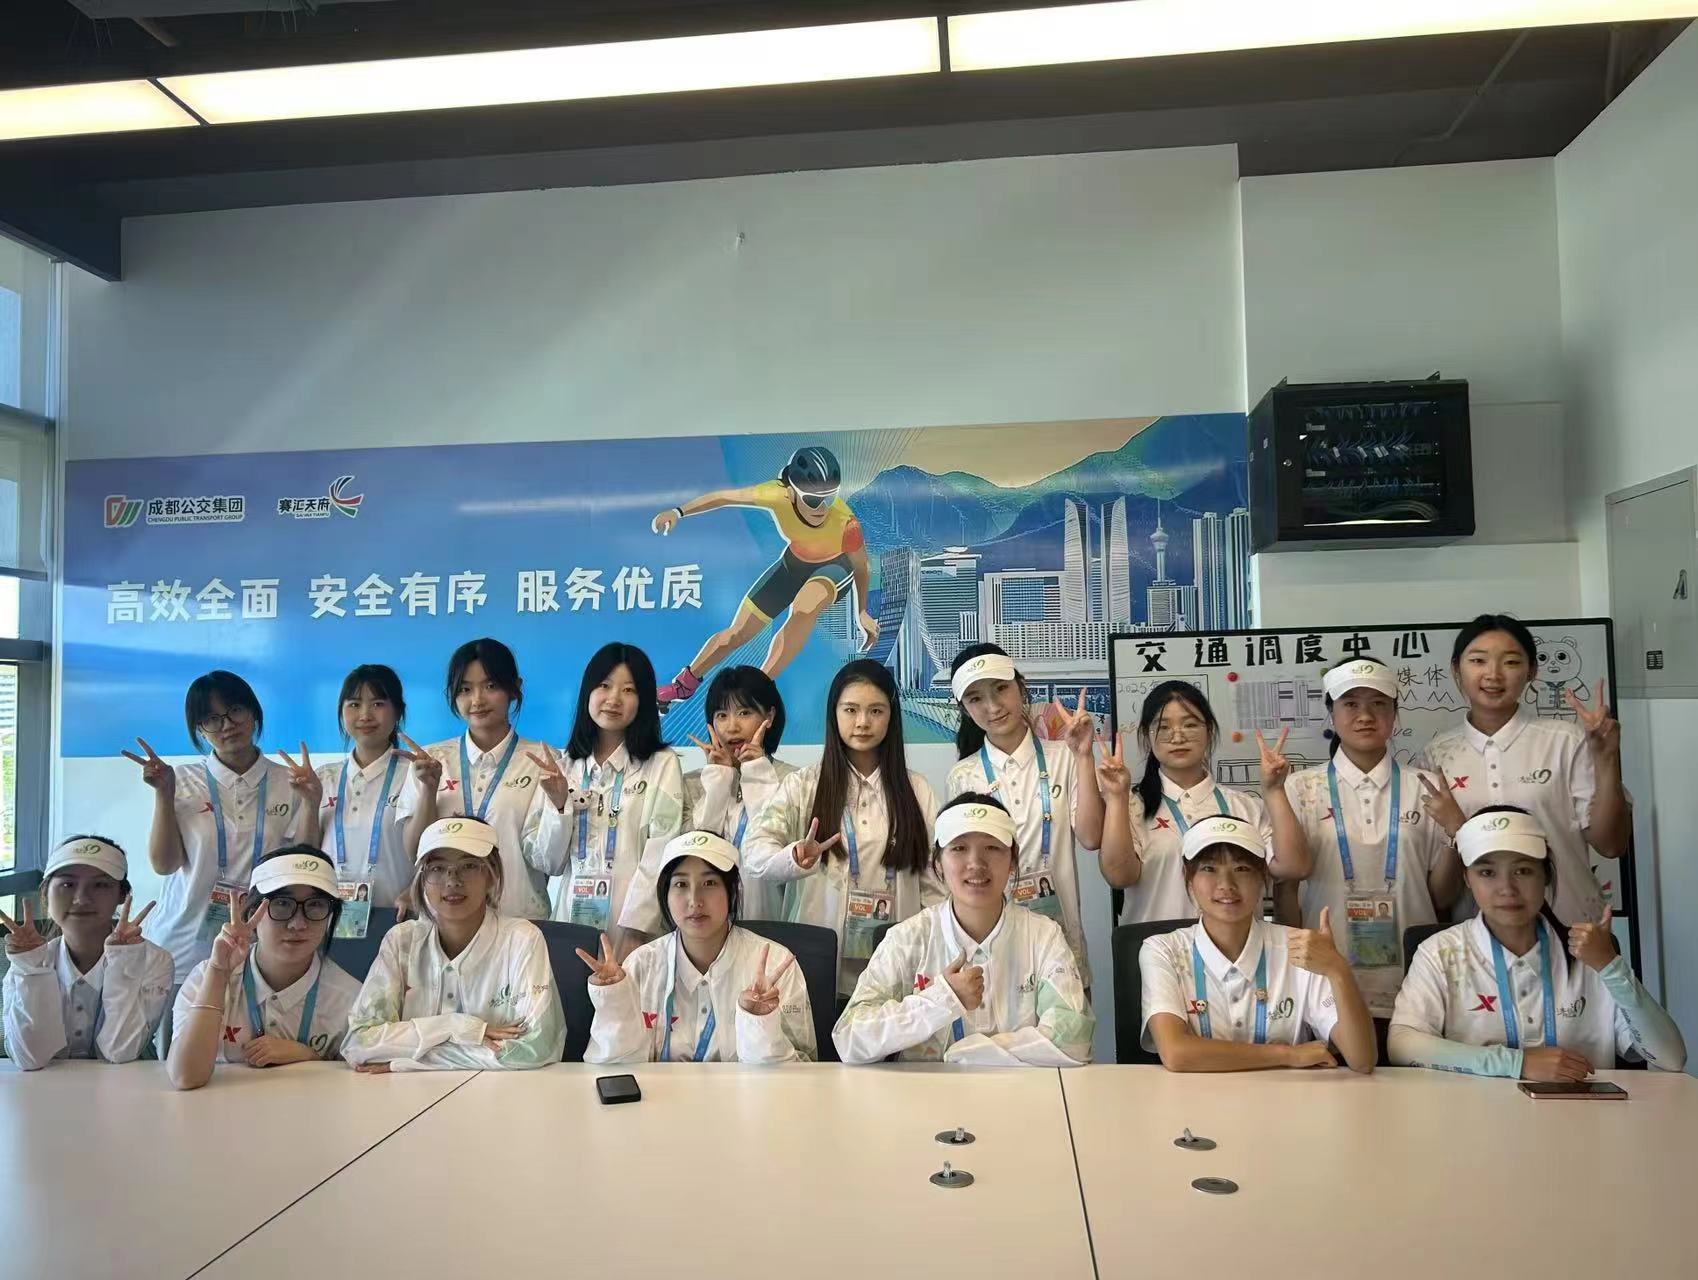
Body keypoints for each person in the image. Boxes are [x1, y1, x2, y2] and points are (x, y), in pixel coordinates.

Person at [1389, 807, 1685, 1077]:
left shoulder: (1589, 953)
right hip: (1475, 1114)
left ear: (1546, 875)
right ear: (1467, 879)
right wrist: (1516, 1063)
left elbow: (1670, 1057)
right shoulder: (1439, 952)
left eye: (1523, 871)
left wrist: (1610, 966)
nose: (1507, 889)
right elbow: (1402, 1044)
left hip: (1582, 1114)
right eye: (1487, 873)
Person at [834, 795, 1093, 1066]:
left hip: (1020, 1090)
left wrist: (971, 1053)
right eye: (959, 848)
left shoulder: (1043, 936)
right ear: (937, 863)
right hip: (923, 1091)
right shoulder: (907, 939)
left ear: (1013, 860)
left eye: (992, 847)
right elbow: (849, 1039)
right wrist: (940, 999)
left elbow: (1073, 1041)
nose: (976, 863)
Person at [1277, 659, 1463, 1033]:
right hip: (1325, 974)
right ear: (1331, 714)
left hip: (1414, 973)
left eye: (1379, 704)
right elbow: (1287, 889)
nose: (1365, 716)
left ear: (1395, 714)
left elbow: (1441, 897)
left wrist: (1456, 833)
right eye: (1351, 704)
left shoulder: (1426, 786)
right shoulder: (1300, 788)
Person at [744, 659, 943, 998]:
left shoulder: (916, 790)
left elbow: (935, 882)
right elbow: (754, 852)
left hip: (898, 959)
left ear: (891, 716)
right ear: (833, 714)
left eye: (876, 711)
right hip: (817, 960)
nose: (863, 722)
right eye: (851, 710)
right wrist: (794, 857)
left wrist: (937, 950)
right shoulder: (803, 786)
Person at [122, 671, 321, 1004]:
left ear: (253, 712)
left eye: (235, 710)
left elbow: (302, 864)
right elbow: (164, 864)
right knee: (179, 1035)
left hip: (259, 943)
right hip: (184, 945)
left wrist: (312, 803)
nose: (227, 725)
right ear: (200, 729)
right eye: (212, 719)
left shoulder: (288, 782)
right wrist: (163, 794)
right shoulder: (181, 780)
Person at [1420, 614, 1630, 924]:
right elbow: (1441, 892)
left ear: (1531, 670)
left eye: (1510, 662)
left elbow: (1611, 844)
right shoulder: (1437, 755)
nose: (1493, 674)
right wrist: (1460, 831)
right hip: (1477, 939)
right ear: (1456, 670)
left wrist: (1607, 759)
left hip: (1572, 929)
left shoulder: (1567, 741)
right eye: (1478, 661)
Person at [944, 644, 1129, 990]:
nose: (993, 707)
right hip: (993, 949)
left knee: (1068, 1022)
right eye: (975, 698)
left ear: (1021, 686)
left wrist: (1084, 757)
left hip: (1062, 946)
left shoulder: (1065, 758)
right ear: (964, 709)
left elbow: (1091, 837)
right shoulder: (963, 776)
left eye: (1001, 689)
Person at [1140, 815, 1376, 1073]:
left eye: (1241, 869)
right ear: (1188, 878)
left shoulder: (1300, 948)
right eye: (1209, 868)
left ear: (1264, 877)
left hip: (1286, 1096)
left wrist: (1337, 969)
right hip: (1195, 1097)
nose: (1226, 885)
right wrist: (1289, 1055)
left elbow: (1362, 1060)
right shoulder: (1163, 950)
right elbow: (1176, 1053)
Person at [651, 446, 878, 708]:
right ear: (790, 491)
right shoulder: (775, 494)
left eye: (829, 498)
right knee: (736, 634)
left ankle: (760, 686)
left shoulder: (846, 523)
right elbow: (723, 497)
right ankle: (683, 685)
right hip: (794, 563)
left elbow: (861, 567)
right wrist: (678, 512)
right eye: (814, 500)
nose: (822, 508)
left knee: (804, 606)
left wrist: (862, 611)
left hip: (835, 567)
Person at [343, 817, 565, 1071]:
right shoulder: (401, 941)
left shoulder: (522, 940)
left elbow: (534, 1049)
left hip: (499, 1091)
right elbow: (358, 1043)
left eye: (469, 866)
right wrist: (455, 1027)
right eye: (437, 868)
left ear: (492, 875)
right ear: (422, 879)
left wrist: (408, 1060)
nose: (452, 881)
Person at [579, 831, 814, 1063]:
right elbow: (617, 1071)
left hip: (746, 1091)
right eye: (681, 884)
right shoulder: (641, 966)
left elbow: (804, 1069)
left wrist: (761, 1026)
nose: (695, 900)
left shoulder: (775, 965)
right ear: (665, 895)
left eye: (709, 883)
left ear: (732, 891)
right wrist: (613, 1003)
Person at [1101, 680, 1309, 923]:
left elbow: (1294, 867)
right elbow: (1119, 877)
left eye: (1190, 725)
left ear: (1209, 732)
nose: (1178, 737)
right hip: (1156, 944)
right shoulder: (1130, 808)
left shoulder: (1245, 807)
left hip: (1238, 945)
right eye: (1164, 727)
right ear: (1148, 737)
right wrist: (1116, 798)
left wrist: (1274, 790)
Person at [527, 642, 684, 953]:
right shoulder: (563, 767)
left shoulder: (661, 764)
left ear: (644, 700)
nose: (614, 699)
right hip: (571, 926)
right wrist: (558, 805)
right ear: (588, 692)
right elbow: (548, 862)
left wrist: (638, 929)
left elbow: (662, 850)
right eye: (604, 685)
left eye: (629, 690)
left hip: (636, 933)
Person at [166, 847, 363, 1089]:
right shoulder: (205, 977)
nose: (298, 923)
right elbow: (185, 1076)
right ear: (250, 910)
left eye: (315, 905)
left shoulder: (350, 998)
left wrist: (309, 1056)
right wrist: (218, 972)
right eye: (282, 903)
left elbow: (354, 1089)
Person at [619, 666, 795, 933]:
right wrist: (718, 783)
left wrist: (757, 771)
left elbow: (782, 848)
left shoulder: (793, 781)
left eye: (744, 713)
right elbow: (690, 854)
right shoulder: (692, 784)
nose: (732, 727)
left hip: (770, 926)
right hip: (702, 927)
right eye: (722, 715)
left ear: (769, 716)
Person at [410, 638, 556, 919]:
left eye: (490, 686)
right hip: (444, 921)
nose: (477, 700)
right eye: (465, 689)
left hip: (518, 919)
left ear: (514, 688)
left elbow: (550, 857)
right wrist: (428, 789)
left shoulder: (544, 760)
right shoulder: (431, 759)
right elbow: (415, 851)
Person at [1, 836, 171, 1068]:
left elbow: (119, 1053)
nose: (81, 899)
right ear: (45, 893)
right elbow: (29, 1059)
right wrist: (30, 968)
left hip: (127, 1085)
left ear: (122, 895)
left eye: (100, 885)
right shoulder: (29, 960)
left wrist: (124, 963)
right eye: (67, 885)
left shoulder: (154, 960)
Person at [314, 663, 428, 909]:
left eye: (378, 704)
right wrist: (306, 803)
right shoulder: (323, 777)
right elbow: (306, 852)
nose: (365, 715)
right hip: (327, 917)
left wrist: (414, 891)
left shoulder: (414, 774)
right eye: (354, 704)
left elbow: (427, 850)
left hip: (398, 914)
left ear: (398, 712)